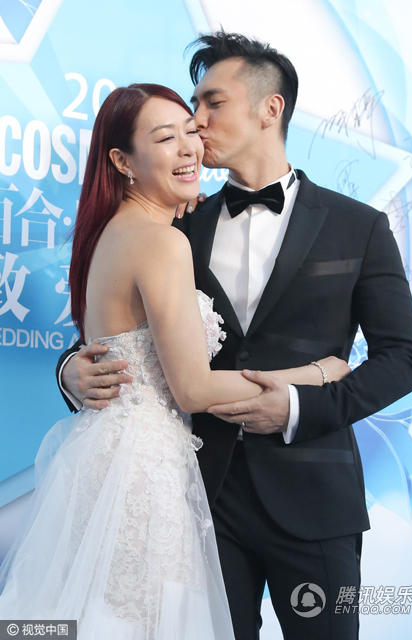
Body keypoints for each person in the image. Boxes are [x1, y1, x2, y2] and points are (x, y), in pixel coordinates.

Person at [56, 34, 412, 640]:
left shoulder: (357, 226)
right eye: (191, 107)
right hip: (200, 500)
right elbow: (125, 324)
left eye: (212, 102)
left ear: (269, 109)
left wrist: (300, 405)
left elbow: (403, 360)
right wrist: (72, 368)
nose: (197, 122)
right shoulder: (176, 221)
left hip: (315, 495)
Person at [0, 82, 346, 638]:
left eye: (191, 131)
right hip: (146, 471)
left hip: (122, 460)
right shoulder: (161, 239)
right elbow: (191, 388)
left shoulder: (127, 229)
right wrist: (314, 375)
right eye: (166, 138)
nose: (190, 146)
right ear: (122, 161)